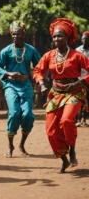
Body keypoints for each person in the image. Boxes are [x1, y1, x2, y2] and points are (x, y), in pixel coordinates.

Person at [33, 18, 89, 173]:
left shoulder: (77, 56)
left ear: (67, 38)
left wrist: (81, 82)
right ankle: (64, 159)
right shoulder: (49, 55)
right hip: (56, 93)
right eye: (55, 36)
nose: (57, 39)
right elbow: (37, 71)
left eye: (60, 36)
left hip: (74, 92)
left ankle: (72, 149)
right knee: (51, 129)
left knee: (66, 120)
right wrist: (42, 83)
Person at [0, 21, 41, 158]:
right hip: (11, 85)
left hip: (26, 85)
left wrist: (39, 78)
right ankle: (10, 145)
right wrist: (8, 73)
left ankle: (22, 144)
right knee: (14, 113)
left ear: (23, 35)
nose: (15, 37)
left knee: (27, 115)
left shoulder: (31, 50)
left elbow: (40, 65)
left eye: (17, 34)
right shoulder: (6, 51)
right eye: (13, 34)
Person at [75, 31, 89, 127]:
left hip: (88, 79)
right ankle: (78, 119)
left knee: (87, 99)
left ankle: (84, 119)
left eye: (87, 40)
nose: (85, 41)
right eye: (83, 39)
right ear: (81, 40)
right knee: (77, 99)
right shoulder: (77, 50)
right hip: (78, 78)